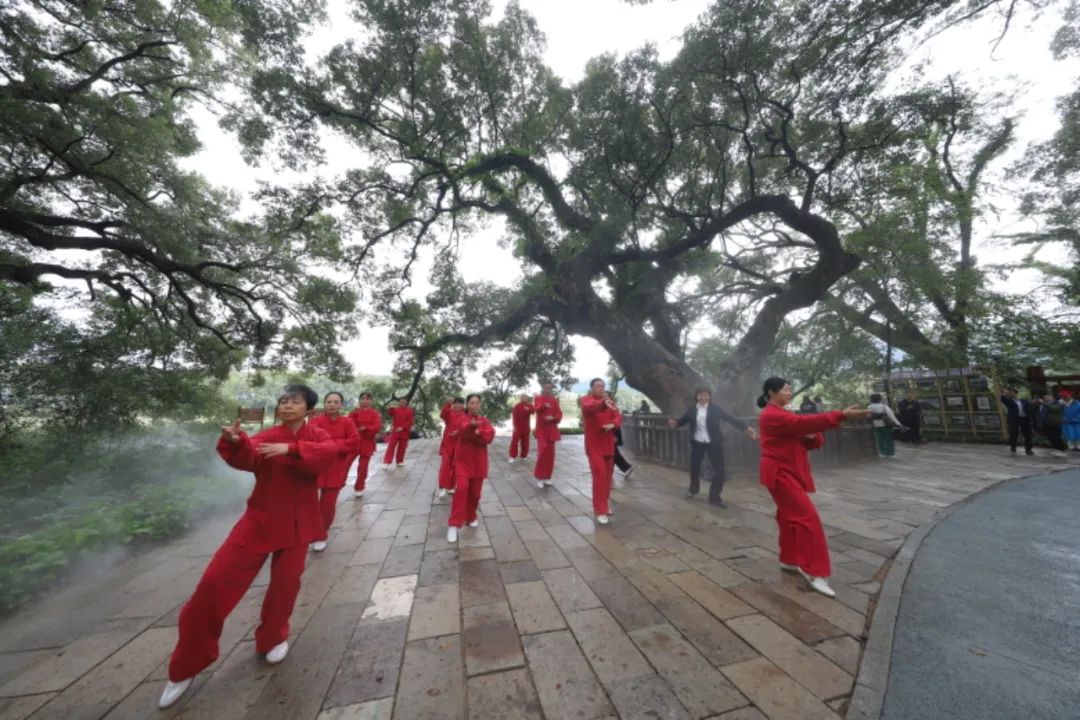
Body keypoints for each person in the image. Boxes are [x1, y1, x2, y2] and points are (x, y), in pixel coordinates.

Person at [159, 385, 337, 709]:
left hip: (298, 524)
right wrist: (235, 441)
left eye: (294, 401)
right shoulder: (268, 434)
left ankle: (273, 637)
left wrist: (291, 449)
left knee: (285, 587)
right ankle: (185, 665)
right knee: (213, 584)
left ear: (309, 409)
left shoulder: (318, 435)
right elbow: (249, 456)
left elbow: (327, 456)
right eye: (283, 401)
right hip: (259, 520)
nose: (286, 405)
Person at [757, 377, 871, 598]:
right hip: (780, 472)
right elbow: (802, 426)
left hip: (791, 470)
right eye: (784, 389)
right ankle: (814, 571)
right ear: (771, 392)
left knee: (788, 517)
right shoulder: (772, 414)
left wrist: (812, 433)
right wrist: (841, 415)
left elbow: (808, 438)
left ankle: (790, 559)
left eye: (790, 389)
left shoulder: (786, 413)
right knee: (807, 519)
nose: (789, 392)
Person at [668, 386, 758, 507]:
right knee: (694, 469)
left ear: (709, 396)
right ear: (696, 396)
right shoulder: (692, 410)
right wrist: (675, 423)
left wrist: (746, 428)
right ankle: (693, 490)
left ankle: (714, 497)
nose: (703, 397)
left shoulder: (716, 409)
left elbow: (731, 419)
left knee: (719, 470)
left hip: (714, 443)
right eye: (700, 395)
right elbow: (682, 421)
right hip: (698, 443)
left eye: (705, 395)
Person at [308, 392, 359, 551]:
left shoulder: (347, 422)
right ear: (325, 404)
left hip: (337, 467)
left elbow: (354, 441)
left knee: (328, 504)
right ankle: (306, 530)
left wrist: (331, 445)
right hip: (317, 466)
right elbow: (311, 441)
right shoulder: (316, 421)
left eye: (336, 402)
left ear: (341, 405)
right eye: (329, 402)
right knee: (309, 502)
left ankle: (320, 535)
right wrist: (335, 445)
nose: (332, 405)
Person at [447, 394, 495, 543]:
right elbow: (463, 432)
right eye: (472, 402)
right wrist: (473, 429)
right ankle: (453, 525)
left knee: (475, 494)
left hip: (479, 463)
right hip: (463, 462)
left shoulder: (485, 421)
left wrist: (479, 432)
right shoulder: (462, 419)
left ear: (480, 405)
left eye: (477, 403)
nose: (474, 405)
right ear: (467, 405)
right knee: (461, 489)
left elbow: (490, 436)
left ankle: (470, 516)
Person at [580, 378, 621, 525]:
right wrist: (604, 403)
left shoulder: (609, 402)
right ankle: (600, 510)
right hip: (594, 445)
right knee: (599, 475)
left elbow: (618, 416)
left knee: (608, 477)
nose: (601, 388)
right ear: (591, 388)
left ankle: (605, 504)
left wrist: (613, 424)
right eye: (597, 386)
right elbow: (591, 409)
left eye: (603, 386)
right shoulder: (586, 400)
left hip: (608, 444)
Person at [347, 392, 382, 498]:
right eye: (362, 399)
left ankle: (359, 487)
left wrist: (366, 428)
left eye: (367, 399)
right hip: (354, 442)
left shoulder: (374, 413)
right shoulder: (354, 412)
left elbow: (377, 426)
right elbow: (347, 422)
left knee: (363, 467)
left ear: (371, 401)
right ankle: (339, 482)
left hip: (367, 442)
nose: (365, 401)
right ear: (359, 401)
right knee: (345, 463)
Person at [533, 381, 563, 489]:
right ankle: (540, 477)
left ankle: (547, 477)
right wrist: (543, 406)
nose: (548, 389)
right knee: (542, 453)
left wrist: (554, 418)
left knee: (550, 455)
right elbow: (535, 409)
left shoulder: (554, 400)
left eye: (550, 388)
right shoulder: (538, 398)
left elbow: (559, 413)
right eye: (546, 387)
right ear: (542, 387)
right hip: (541, 430)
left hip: (551, 431)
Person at [437, 397, 466, 498]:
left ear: (463, 405)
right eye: (456, 403)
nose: (458, 405)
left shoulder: (466, 414)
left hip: (460, 443)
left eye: (460, 403)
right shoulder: (449, 412)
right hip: (448, 442)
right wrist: (447, 403)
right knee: (445, 464)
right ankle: (443, 487)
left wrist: (459, 433)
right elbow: (442, 415)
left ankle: (451, 486)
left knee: (456, 465)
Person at [867, 393, 904, 458]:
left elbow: (868, 416)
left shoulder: (869, 407)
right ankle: (891, 454)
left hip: (875, 424)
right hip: (885, 424)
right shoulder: (883, 406)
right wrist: (898, 424)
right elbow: (891, 416)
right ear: (879, 399)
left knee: (880, 439)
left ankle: (882, 453)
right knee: (888, 439)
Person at [1000, 387, 1034, 456]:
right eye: (1009, 393)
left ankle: (1028, 450)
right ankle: (1013, 447)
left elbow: (1029, 409)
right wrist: (1003, 393)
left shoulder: (1024, 401)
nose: (1010, 394)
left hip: (1024, 419)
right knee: (1013, 434)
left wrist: (1030, 418)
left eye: (1011, 392)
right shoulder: (1009, 401)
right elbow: (1003, 399)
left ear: (1016, 393)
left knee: (1028, 435)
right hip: (1014, 420)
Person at [382, 398, 415, 468]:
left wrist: (403, 428)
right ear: (399, 402)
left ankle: (399, 461)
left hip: (404, 432)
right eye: (401, 402)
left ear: (406, 402)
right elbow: (390, 413)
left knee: (402, 447)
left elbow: (410, 421)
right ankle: (387, 462)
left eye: (404, 401)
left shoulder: (409, 411)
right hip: (395, 431)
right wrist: (390, 408)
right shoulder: (395, 410)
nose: (402, 403)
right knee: (391, 446)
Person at [508, 393, 534, 463]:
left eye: (525, 397)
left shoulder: (529, 405)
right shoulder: (517, 406)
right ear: (520, 398)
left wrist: (529, 408)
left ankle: (524, 455)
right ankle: (512, 456)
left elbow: (533, 412)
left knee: (525, 442)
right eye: (522, 397)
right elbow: (514, 416)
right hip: (518, 427)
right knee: (514, 442)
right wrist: (514, 426)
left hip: (526, 427)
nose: (523, 398)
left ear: (527, 398)